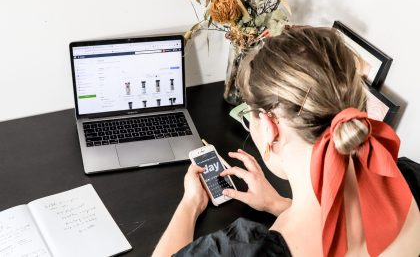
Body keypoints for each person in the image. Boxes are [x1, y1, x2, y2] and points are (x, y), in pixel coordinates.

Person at [152, 26, 420, 257]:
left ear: (270, 129)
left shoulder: (242, 250)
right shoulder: (407, 179)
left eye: (250, 115)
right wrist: (278, 204)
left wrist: (190, 204)